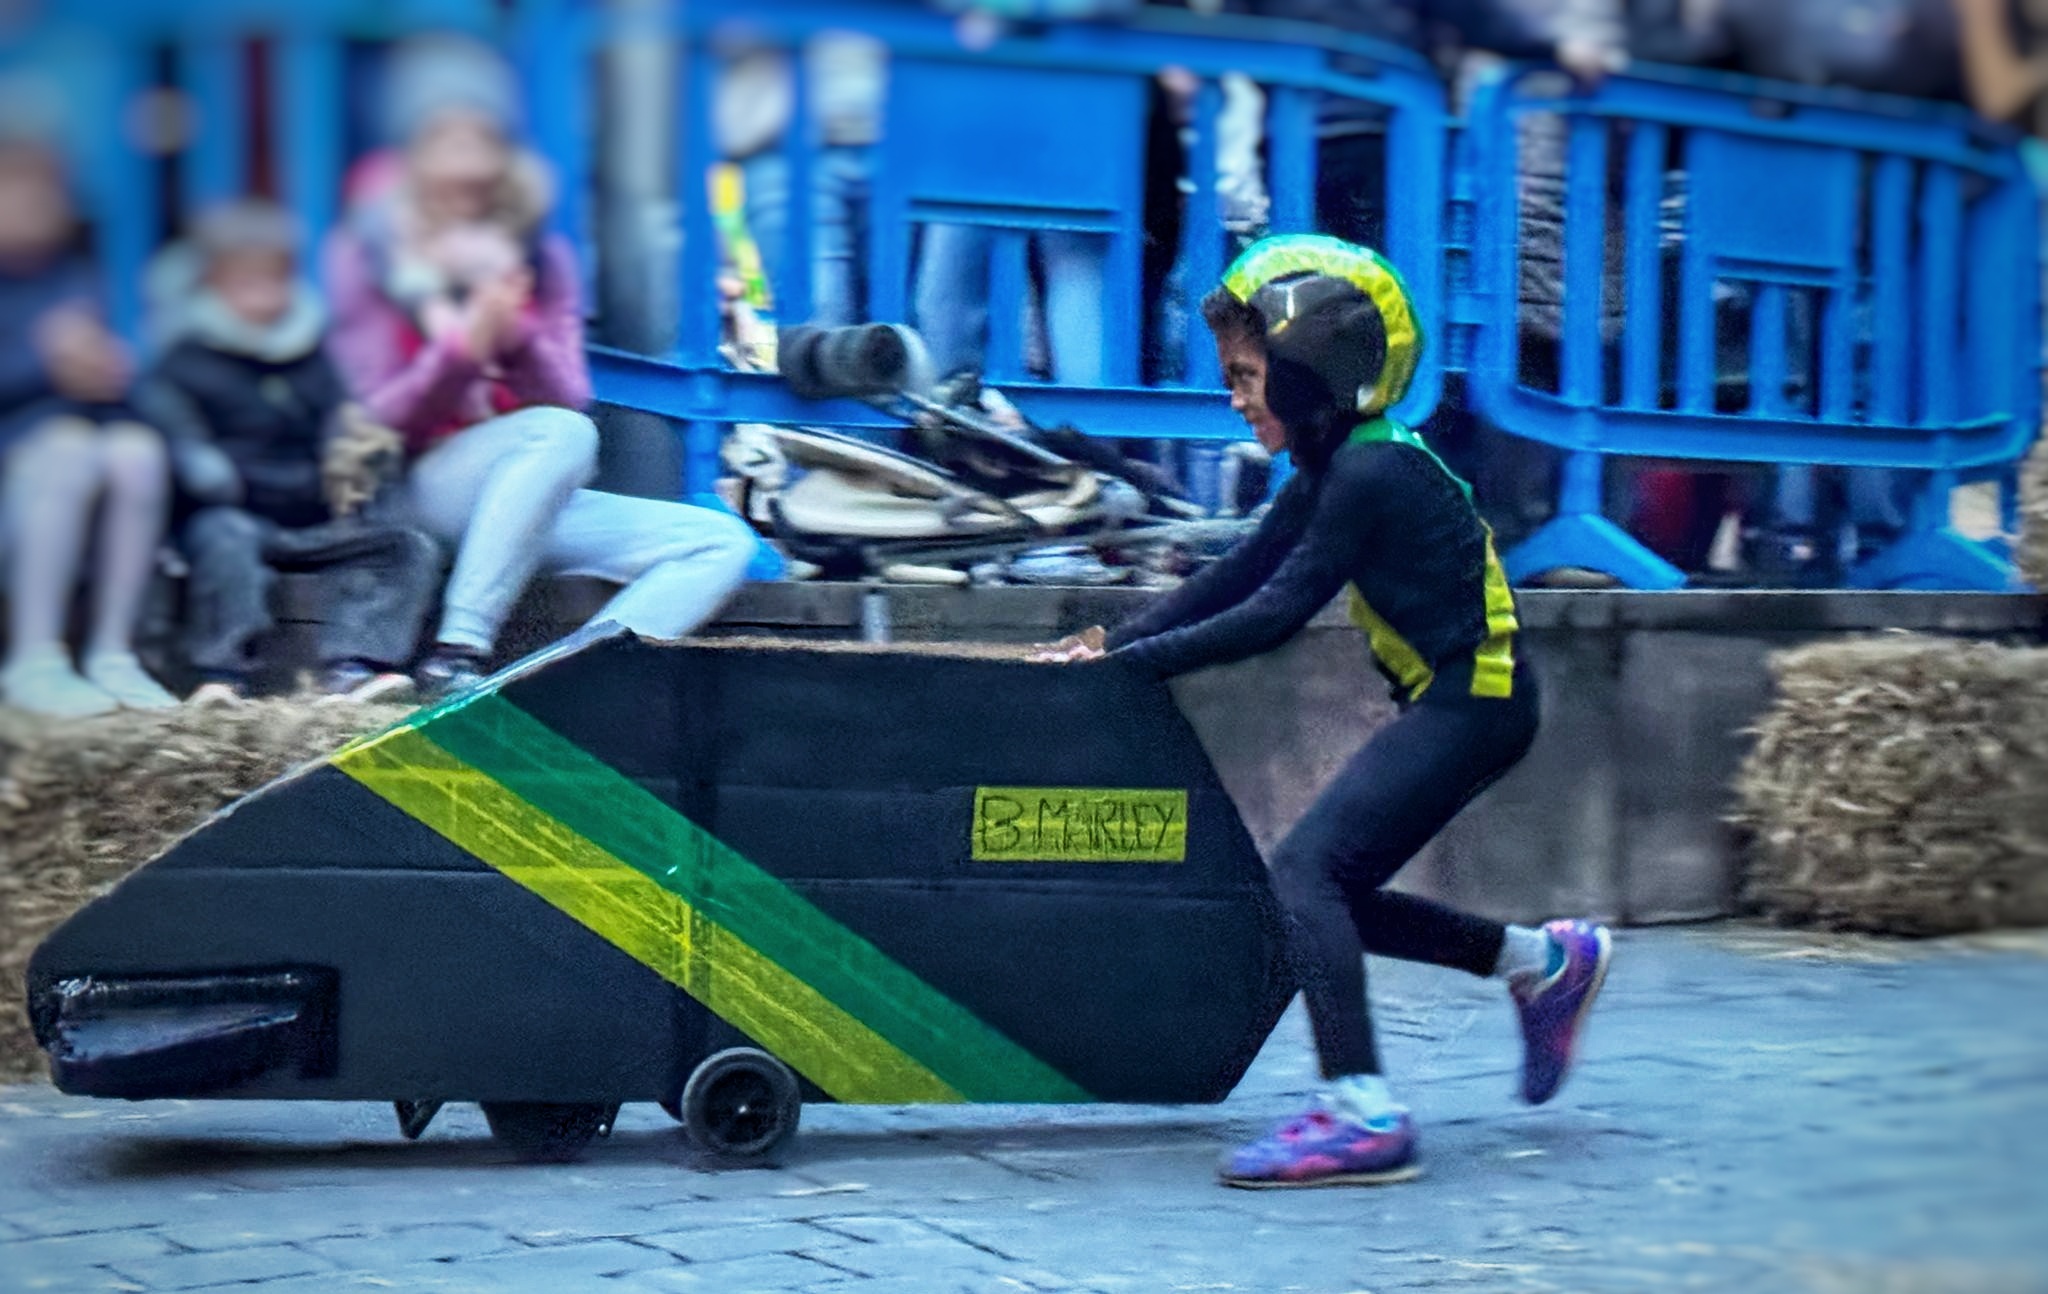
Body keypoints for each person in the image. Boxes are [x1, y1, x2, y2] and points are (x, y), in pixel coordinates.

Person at [1036, 235, 1612, 1188]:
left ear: (1312, 370)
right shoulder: (1338, 466)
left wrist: (1133, 671)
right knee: (1322, 891)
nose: (1235, 395)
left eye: (1249, 373)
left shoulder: (1372, 474)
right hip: (1470, 702)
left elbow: (1274, 613)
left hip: (1479, 703)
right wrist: (1112, 642)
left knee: (1306, 871)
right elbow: (1239, 573)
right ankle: (1543, 961)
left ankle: (1361, 1110)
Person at [325, 35, 758, 695]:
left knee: (718, 542)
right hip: (407, 490)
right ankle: (457, 652)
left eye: (481, 141)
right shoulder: (364, 251)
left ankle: (559, 685)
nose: (467, 165)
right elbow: (378, 415)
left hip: (521, 488)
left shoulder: (535, 250)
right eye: (448, 141)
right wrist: (463, 349)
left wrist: (513, 326)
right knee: (559, 434)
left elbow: (568, 392)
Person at [134, 200, 441, 703]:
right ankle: (224, 672)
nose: (265, 297)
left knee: (406, 544)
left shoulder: (311, 357)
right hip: (234, 514)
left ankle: (352, 664)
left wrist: (356, 448)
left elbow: (342, 419)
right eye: (246, 284)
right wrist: (194, 460)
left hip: (311, 512)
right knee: (224, 541)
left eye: (275, 280)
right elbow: (171, 428)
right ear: (212, 285)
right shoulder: (186, 361)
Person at [0, 106, 178, 718]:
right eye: (16, 185)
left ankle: (112, 652)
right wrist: (41, 361)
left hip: (67, 433)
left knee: (137, 452)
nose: (37, 202)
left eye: (48, 186)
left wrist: (107, 372)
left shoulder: (72, 276)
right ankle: (34, 655)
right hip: (23, 463)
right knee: (69, 450)